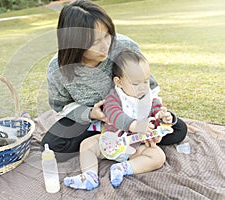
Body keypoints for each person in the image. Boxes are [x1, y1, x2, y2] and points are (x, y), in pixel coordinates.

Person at [41, 0, 187, 161]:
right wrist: (91, 113)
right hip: (92, 121)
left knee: (178, 130)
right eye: (96, 42)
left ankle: (123, 140)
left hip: (132, 112)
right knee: (52, 146)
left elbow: (148, 87)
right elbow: (61, 106)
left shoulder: (125, 47)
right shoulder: (58, 69)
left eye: (108, 36)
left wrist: (147, 120)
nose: (105, 46)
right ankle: (111, 139)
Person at [63, 48, 188, 190]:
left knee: (158, 156)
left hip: (135, 147)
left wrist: (163, 118)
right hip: (110, 142)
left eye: (146, 82)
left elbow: (156, 116)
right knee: (87, 145)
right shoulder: (113, 98)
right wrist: (135, 125)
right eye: (135, 84)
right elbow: (115, 115)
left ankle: (124, 168)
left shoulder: (150, 99)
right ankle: (89, 176)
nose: (142, 88)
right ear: (119, 82)